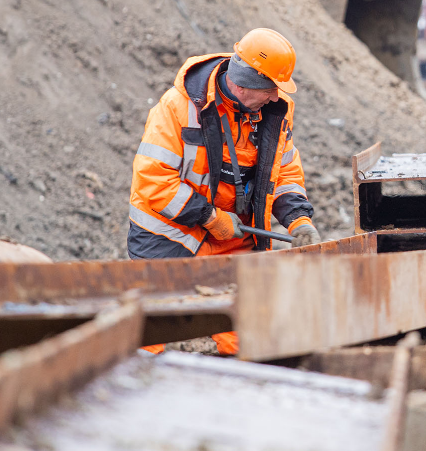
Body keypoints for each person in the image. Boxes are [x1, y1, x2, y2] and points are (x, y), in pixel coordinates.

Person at [128, 28, 317, 355]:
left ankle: (237, 384)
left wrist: (298, 218)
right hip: (172, 233)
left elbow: (284, 169)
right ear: (247, 82)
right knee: (152, 330)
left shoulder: (274, 112)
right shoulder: (178, 107)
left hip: (235, 236)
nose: (276, 97)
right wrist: (210, 217)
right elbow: (153, 181)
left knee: (246, 333)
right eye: (271, 88)